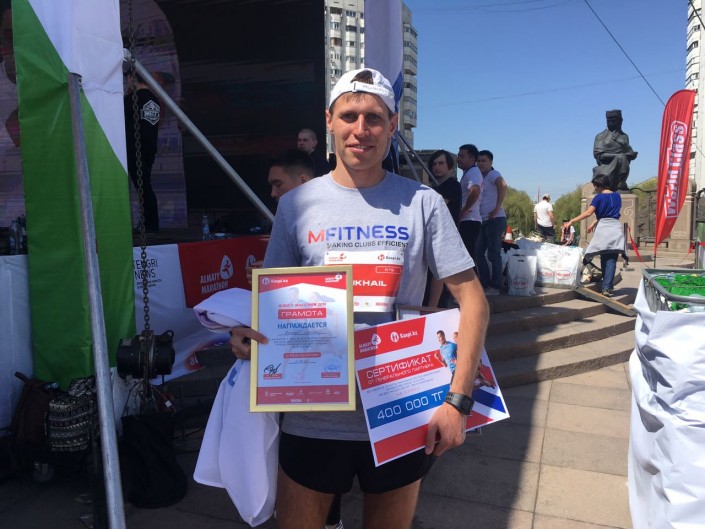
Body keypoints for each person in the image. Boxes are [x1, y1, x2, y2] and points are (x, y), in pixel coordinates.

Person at [230, 67, 489, 529]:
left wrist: (458, 401)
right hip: (313, 415)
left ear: (392, 126)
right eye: (349, 115)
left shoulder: (423, 202)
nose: (360, 129)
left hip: (401, 413)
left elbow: (473, 301)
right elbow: (273, 301)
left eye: (374, 117)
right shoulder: (295, 205)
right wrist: (251, 335)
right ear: (329, 121)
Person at [563, 174, 628, 297]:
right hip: (615, 228)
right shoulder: (617, 196)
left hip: (604, 229)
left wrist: (572, 221)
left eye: (595, 186)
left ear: (599, 185)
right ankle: (606, 287)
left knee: (595, 253)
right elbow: (610, 213)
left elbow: (588, 213)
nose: (594, 188)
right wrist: (594, 222)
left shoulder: (598, 198)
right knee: (611, 258)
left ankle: (580, 272)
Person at [425, 150, 461, 307]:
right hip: (432, 235)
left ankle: (432, 308)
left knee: (438, 272)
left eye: (441, 163)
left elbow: (433, 207)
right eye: (434, 164)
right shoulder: (435, 187)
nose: (437, 167)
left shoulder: (452, 185)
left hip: (444, 237)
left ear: (449, 167)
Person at [124, 75, 160, 232]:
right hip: (149, 149)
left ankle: (150, 224)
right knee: (144, 186)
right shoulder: (154, 99)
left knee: (143, 187)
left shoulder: (131, 100)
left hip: (134, 149)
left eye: (127, 79)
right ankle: (149, 223)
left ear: (132, 78)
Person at [475, 150, 508, 296]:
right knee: (478, 252)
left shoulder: (493, 174)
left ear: (491, 162)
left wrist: (497, 207)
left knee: (494, 254)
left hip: (495, 219)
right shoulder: (481, 177)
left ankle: (496, 286)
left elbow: (503, 185)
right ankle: (485, 282)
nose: (481, 163)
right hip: (483, 220)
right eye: (479, 161)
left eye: (484, 161)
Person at [592, 109, 638, 192]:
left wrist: (628, 150)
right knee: (622, 157)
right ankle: (611, 183)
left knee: (623, 158)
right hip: (605, 168)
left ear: (620, 121)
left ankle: (621, 183)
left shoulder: (624, 136)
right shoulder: (600, 136)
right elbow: (599, 156)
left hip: (620, 168)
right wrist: (619, 156)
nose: (611, 123)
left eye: (614, 121)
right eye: (609, 121)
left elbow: (629, 152)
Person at [457, 144, 483, 267]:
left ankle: (472, 279)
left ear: (472, 159)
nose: (458, 159)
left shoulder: (472, 173)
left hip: (469, 220)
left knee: (467, 257)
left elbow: (475, 190)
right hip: (470, 220)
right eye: (458, 156)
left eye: (462, 156)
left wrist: (464, 210)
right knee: (467, 256)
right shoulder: (470, 172)